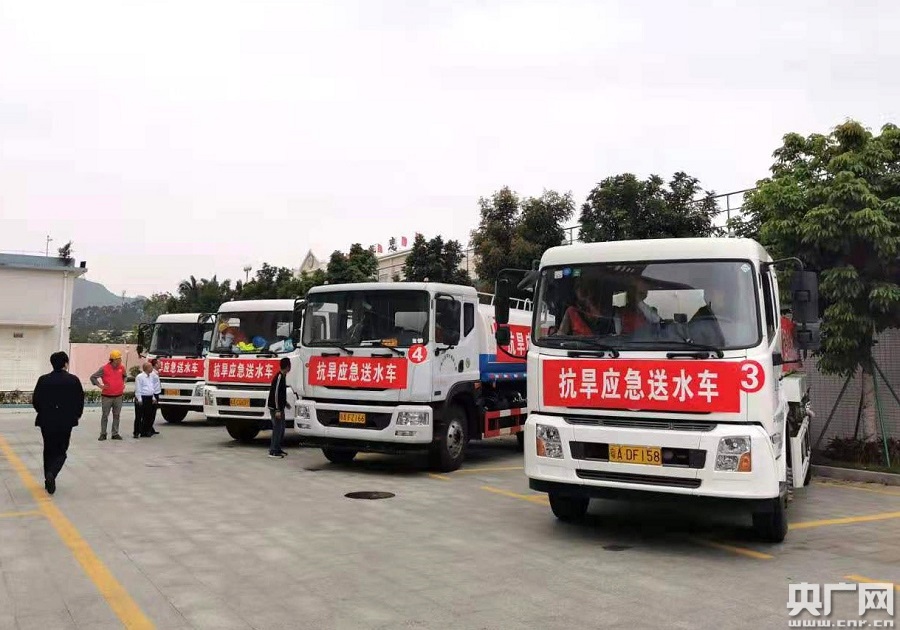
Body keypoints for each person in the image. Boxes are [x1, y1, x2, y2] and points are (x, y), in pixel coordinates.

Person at [31, 351, 84, 495]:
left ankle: (47, 476)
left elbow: (36, 400)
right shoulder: (73, 380)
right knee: (61, 451)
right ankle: (52, 474)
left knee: (48, 449)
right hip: (65, 421)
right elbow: (79, 400)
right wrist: (76, 416)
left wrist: (43, 412)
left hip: (46, 420)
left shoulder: (43, 380)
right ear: (65, 364)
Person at [90, 350, 127, 441]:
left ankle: (115, 433)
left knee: (117, 415)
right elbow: (93, 377)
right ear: (113, 360)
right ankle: (103, 433)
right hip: (107, 396)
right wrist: (100, 385)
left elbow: (125, 376)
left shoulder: (122, 368)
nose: (120, 360)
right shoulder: (104, 368)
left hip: (118, 396)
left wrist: (123, 383)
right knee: (105, 415)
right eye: (118, 359)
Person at [267, 357, 291, 459]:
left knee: (281, 428)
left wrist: (285, 403)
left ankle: (277, 448)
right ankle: (273, 451)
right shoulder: (279, 377)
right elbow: (276, 393)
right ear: (288, 366)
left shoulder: (283, 376)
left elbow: (281, 394)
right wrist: (277, 409)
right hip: (275, 408)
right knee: (277, 429)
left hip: (280, 407)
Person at [134, 362, 159, 438]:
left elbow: (151, 388)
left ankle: (145, 431)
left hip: (149, 397)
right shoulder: (140, 377)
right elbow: (138, 388)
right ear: (146, 368)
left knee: (148, 415)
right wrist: (139, 399)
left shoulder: (151, 376)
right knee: (139, 416)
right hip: (142, 397)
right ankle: (136, 432)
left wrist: (153, 397)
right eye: (151, 367)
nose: (152, 368)